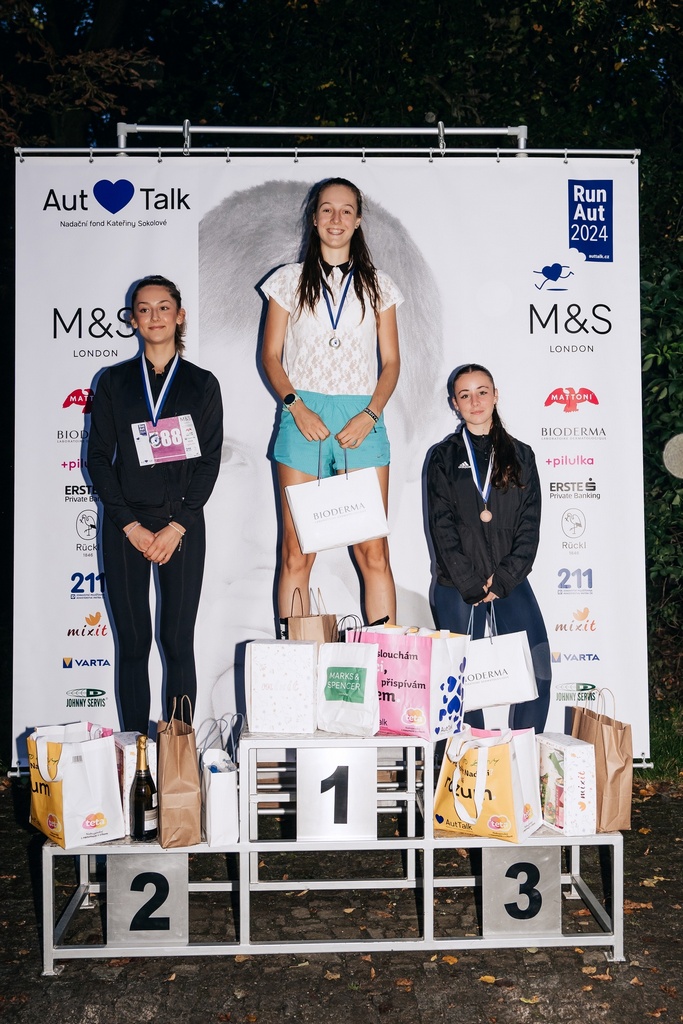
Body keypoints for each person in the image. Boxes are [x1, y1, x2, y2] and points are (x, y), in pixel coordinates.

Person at [260, 177, 403, 624]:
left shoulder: (379, 285)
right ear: (314, 218)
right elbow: (270, 356)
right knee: (297, 551)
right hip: (302, 416)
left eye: (346, 210)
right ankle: (296, 657)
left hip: (362, 418)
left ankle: (386, 659)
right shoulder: (286, 280)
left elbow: (391, 362)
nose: (336, 218)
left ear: (358, 221)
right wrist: (296, 406)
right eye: (326, 209)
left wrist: (370, 414)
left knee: (373, 552)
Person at [88, 275, 223, 733]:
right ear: (133, 320)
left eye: (164, 307)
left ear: (179, 315)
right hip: (125, 527)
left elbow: (209, 462)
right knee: (133, 643)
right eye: (144, 309)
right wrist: (129, 525)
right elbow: (98, 458)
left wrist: (177, 525)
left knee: (177, 641)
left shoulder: (202, 384)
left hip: (181, 527)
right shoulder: (114, 382)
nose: (154, 316)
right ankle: (134, 752)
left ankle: (177, 754)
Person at [426, 363, 551, 732]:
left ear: (496, 396)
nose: (475, 401)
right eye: (465, 395)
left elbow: (529, 525)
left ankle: (523, 754)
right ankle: (473, 757)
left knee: (539, 670)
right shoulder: (443, 456)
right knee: (460, 683)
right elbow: (441, 526)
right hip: (457, 586)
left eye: (482, 392)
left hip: (508, 581)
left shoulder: (521, 455)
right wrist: (469, 584)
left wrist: (504, 579)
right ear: (455, 403)